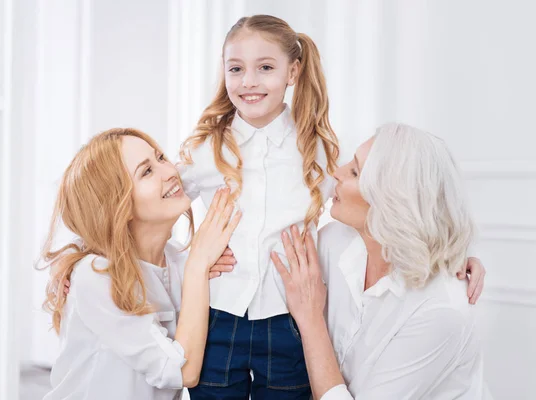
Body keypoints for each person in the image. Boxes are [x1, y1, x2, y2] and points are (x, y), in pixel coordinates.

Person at [179, 14, 486, 399]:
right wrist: (190, 259)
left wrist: (453, 255)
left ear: (293, 73)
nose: (249, 81)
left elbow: (393, 206)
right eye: (236, 69)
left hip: (287, 317)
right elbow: (154, 212)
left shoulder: (316, 149)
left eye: (265, 68)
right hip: (220, 312)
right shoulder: (206, 149)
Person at [273, 123, 485, 399]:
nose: (335, 173)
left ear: (391, 201)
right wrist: (206, 262)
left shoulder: (440, 310)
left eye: (354, 171)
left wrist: (311, 319)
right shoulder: (335, 242)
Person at [41, 128, 241, 399]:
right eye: (146, 172)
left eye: (160, 157)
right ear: (116, 204)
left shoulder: (175, 262)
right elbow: (182, 373)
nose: (169, 171)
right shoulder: (96, 275)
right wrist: (197, 266)